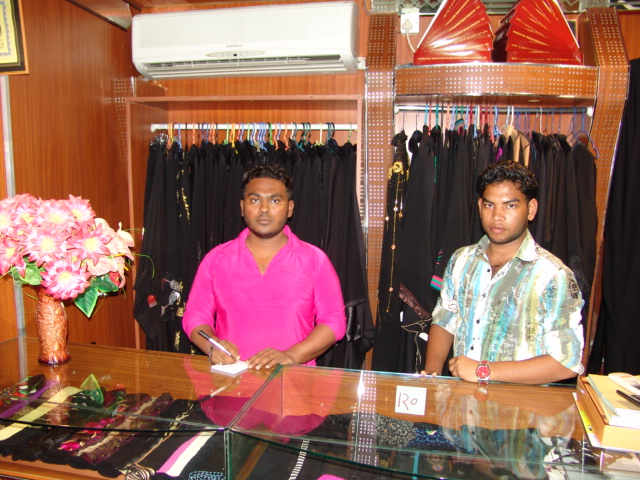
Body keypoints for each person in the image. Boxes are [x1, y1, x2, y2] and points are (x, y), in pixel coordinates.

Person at [422, 161, 584, 384]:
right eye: (490, 205)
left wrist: (483, 370)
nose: (497, 216)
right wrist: (431, 376)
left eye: (510, 206)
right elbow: (445, 319)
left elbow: (567, 362)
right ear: (480, 206)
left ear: (531, 209)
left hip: (520, 404)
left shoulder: (553, 275)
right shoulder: (462, 259)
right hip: (462, 400)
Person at [182, 164, 346, 370]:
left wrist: (291, 356)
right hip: (231, 381)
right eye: (255, 200)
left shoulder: (315, 260)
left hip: (295, 382)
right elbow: (195, 315)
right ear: (242, 207)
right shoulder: (216, 260)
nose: (264, 209)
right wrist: (213, 347)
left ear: (290, 208)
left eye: (275, 200)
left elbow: (334, 321)